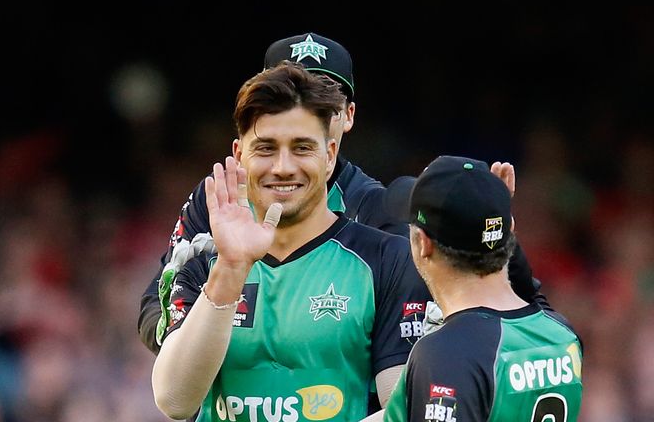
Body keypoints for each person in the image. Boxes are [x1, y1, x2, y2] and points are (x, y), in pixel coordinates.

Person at [137, 32, 537, 355]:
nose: (305, 105)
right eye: (290, 90)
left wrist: (495, 243)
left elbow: (449, 319)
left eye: (324, 96)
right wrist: (195, 341)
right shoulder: (218, 200)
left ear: (347, 116)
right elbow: (154, 307)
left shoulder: (379, 209)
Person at [151, 61, 433, 422]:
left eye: (301, 148)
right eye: (266, 148)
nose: (283, 166)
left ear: (329, 156)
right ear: (239, 155)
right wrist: (231, 267)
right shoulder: (206, 256)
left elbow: (403, 408)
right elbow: (175, 400)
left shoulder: (387, 259)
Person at [381, 155, 584, 422]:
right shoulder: (561, 334)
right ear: (509, 231)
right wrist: (494, 218)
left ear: (423, 243)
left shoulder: (447, 354)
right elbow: (527, 290)